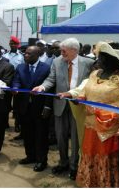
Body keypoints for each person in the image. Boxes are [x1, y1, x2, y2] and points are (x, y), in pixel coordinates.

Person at [59, 41, 119, 187]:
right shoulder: (95, 74)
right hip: (91, 125)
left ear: (112, 60)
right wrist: (79, 99)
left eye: (102, 58)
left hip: (112, 128)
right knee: (89, 153)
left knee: (107, 158)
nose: (98, 61)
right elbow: (85, 92)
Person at [33, 37, 94, 180]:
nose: (61, 53)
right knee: (60, 136)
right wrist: (42, 87)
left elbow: (90, 84)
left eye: (64, 50)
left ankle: (74, 166)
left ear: (74, 50)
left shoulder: (88, 63)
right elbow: (51, 79)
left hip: (78, 106)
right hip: (60, 105)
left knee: (76, 137)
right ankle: (63, 162)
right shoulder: (57, 62)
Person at [12, 46, 52, 172]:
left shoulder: (46, 68)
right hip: (24, 107)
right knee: (27, 134)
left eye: (29, 54)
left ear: (38, 55)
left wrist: (47, 106)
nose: (26, 56)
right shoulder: (20, 67)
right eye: (25, 53)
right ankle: (30, 156)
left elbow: (50, 88)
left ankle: (41, 161)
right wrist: (16, 88)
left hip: (40, 108)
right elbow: (16, 81)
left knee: (40, 135)